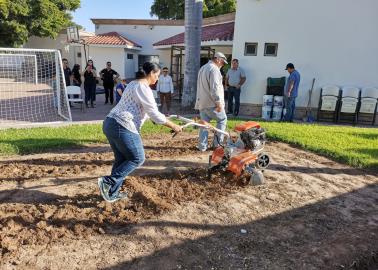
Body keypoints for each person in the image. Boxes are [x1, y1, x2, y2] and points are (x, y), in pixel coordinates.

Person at [98, 62, 182, 202]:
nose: (158, 78)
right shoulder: (143, 87)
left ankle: (111, 192)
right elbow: (154, 113)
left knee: (122, 160)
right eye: (157, 75)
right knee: (137, 158)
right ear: (151, 74)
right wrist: (173, 126)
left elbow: (143, 109)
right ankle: (108, 182)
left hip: (110, 123)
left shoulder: (133, 84)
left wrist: (159, 119)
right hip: (122, 125)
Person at [195, 52, 228, 152]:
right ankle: (217, 145)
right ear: (218, 59)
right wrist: (218, 103)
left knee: (204, 125)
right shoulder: (214, 69)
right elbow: (215, 88)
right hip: (212, 103)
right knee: (222, 119)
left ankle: (202, 146)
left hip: (202, 102)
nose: (222, 65)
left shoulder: (203, 68)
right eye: (222, 62)